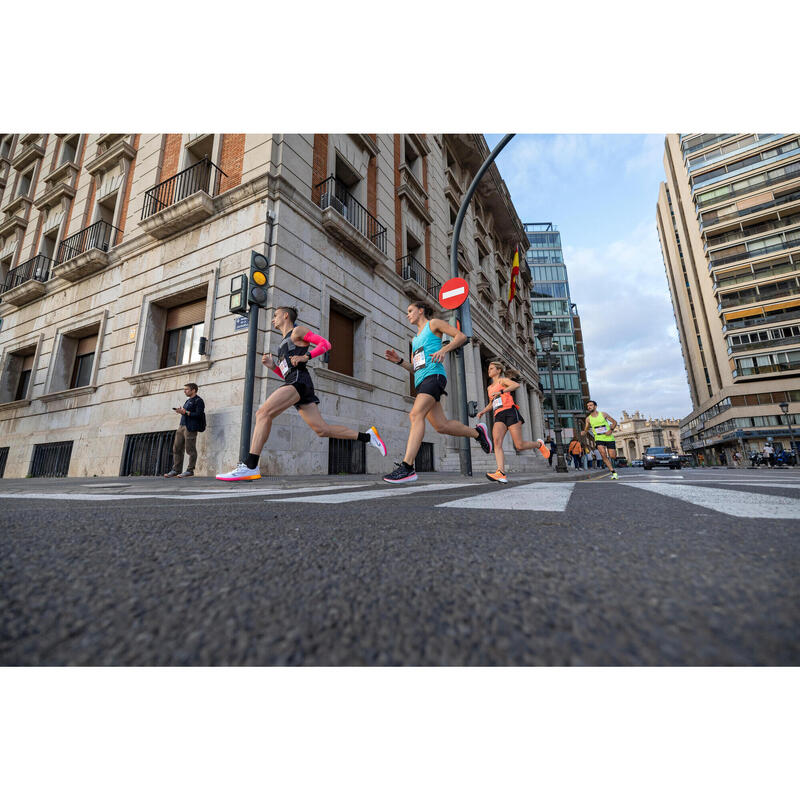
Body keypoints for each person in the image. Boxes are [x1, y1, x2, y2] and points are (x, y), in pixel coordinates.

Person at [216, 306, 386, 480]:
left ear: (285, 316)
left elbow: (326, 344)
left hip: (299, 382)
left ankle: (250, 465)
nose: (273, 319)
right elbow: (286, 374)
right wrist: (273, 366)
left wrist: (307, 356)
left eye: (275, 315)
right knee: (322, 429)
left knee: (263, 413)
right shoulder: (283, 344)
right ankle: (368, 436)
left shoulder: (297, 331)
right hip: (296, 381)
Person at [382, 301, 493, 484]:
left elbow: (461, 337)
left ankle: (407, 467)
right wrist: (399, 361)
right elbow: (415, 368)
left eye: (410, 311)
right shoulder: (415, 339)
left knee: (415, 414)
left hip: (434, 377)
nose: (407, 314)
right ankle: (477, 433)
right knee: (441, 426)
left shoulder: (433, 324)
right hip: (422, 381)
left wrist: (444, 349)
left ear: (420, 310)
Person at [476, 359, 550, 483]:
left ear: (498, 370)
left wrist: (502, 391)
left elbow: (516, 385)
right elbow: (492, 402)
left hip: (510, 412)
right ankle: (501, 473)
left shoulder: (502, 380)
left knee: (519, 445)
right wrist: (483, 411)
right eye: (488, 369)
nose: (489, 371)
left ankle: (539, 445)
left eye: (491, 368)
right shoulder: (489, 387)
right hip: (498, 415)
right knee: (497, 442)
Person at [164, 383, 205, 478]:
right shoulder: (188, 401)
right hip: (181, 426)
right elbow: (186, 413)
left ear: (193, 390)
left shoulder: (199, 401)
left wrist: (185, 412)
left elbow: (199, 414)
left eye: (186, 389)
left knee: (190, 449)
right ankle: (176, 470)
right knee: (176, 448)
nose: (184, 391)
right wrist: (181, 411)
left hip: (190, 428)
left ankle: (190, 470)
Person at [583, 400, 620, 479]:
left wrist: (611, 430)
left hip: (609, 438)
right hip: (599, 438)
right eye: (588, 406)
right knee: (603, 454)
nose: (589, 407)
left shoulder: (603, 414)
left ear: (595, 406)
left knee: (612, 456)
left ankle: (614, 459)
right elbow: (586, 428)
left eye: (591, 405)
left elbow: (614, 422)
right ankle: (613, 472)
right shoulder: (588, 419)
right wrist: (584, 432)